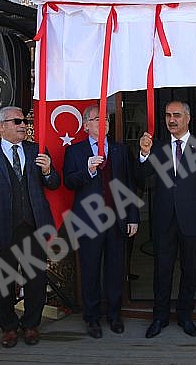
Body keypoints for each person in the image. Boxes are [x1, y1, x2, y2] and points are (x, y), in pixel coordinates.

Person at [0, 106, 60, 348]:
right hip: (0, 230)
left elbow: (53, 184)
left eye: (24, 121)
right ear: (1, 126)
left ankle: (31, 324)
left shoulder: (37, 150)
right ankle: (8, 327)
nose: (23, 125)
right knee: (4, 282)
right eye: (17, 121)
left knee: (35, 279)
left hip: (33, 227)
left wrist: (48, 170)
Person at [138, 100, 196, 338]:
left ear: (187, 118)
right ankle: (160, 316)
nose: (171, 120)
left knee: (190, 270)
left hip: (192, 219)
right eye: (168, 115)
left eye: (176, 115)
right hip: (163, 218)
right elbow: (142, 175)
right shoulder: (157, 146)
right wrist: (144, 154)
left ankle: (185, 315)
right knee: (162, 270)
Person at [63, 105, 140, 338]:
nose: (103, 122)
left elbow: (129, 185)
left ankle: (114, 316)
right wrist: (88, 170)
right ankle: (92, 318)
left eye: (106, 118)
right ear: (86, 125)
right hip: (89, 221)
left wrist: (133, 217)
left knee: (115, 270)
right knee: (90, 270)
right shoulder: (75, 151)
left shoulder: (120, 150)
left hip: (117, 220)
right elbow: (69, 182)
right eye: (97, 119)